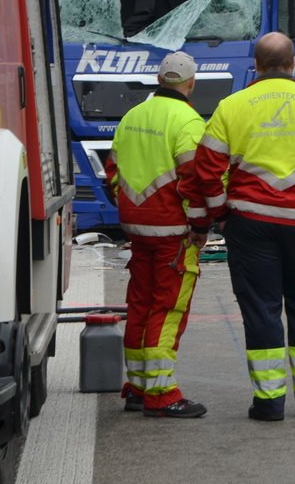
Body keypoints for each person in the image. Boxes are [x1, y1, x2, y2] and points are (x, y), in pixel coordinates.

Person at [193, 32, 295, 421]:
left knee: (261, 309)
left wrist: (220, 214)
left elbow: (207, 169)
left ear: (256, 64)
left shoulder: (230, 107)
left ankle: (268, 403)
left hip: (249, 222)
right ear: (292, 63)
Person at [105, 51, 210, 418]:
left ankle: (137, 387)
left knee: (141, 304)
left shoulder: (133, 115)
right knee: (168, 308)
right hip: (172, 232)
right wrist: (200, 227)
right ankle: (162, 393)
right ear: (191, 83)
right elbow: (194, 182)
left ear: (160, 79)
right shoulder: (187, 121)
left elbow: (113, 170)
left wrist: (130, 206)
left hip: (137, 227)